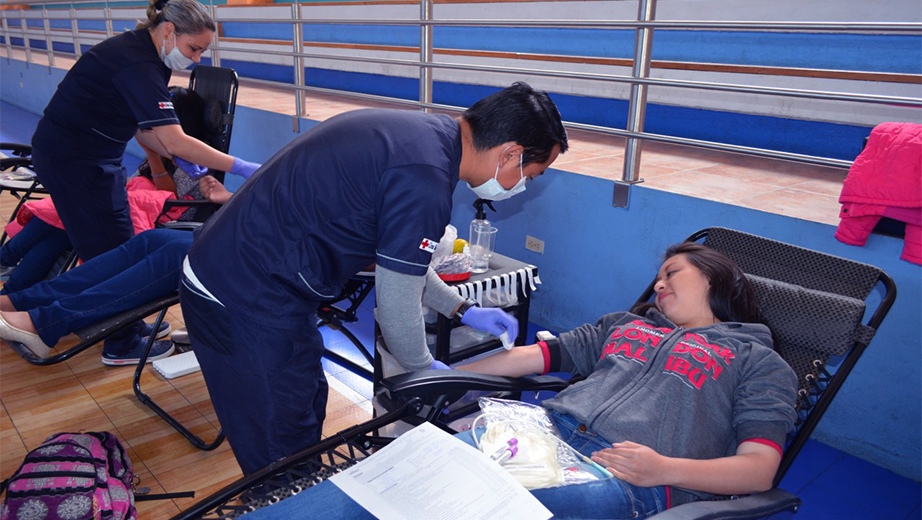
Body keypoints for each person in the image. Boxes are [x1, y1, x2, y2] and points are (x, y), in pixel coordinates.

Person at [235, 242, 798, 520]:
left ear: (717, 277)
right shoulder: (624, 326)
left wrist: (664, 470)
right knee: (394, 479)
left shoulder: (759, 363)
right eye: (656, 277)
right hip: (535, 434)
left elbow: (758, 469)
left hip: (632, 475)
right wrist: (440, 374)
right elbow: (533, 356)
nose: (658, 286)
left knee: (454, 507)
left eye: (671, 273)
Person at [179, 81, 569, 474]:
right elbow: (397, 300)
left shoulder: (425, 138)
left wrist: (463, 309)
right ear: (511, 154)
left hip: (250, 275)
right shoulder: (425, 179)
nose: (522, 186)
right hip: (243, 294)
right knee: (280, 452)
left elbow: (402, 266)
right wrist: (423, 368)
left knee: (303, 402)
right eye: (530, 176)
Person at [28, 0, 260, 364]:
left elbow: (147, 130)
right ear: (169, 31)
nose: (197, 59)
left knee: (119, 247)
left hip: (86, 158)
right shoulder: (138, 64)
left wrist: (188, 165)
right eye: (194, 49)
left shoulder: (145, 56)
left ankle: (120, 325)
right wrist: (244, 166)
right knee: (109, 255)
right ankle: (120, 342)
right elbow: (170, 138)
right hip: (76, 161)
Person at [0, 86, 212, 297]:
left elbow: (170, 197)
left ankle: (7, 268)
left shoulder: (193, 157)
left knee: (66, 214)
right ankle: (12, 294)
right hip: (138, 208)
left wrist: (152, 155)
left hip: (167, 218)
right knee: (64, 225)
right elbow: (139, 182)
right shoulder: (161, 144)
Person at [0, 178, 233, 364]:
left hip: (260, 260)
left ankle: (46, 323)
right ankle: (20, 302)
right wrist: (229, 199)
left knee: (181, 252)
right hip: (240, 238)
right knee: (150, 238)